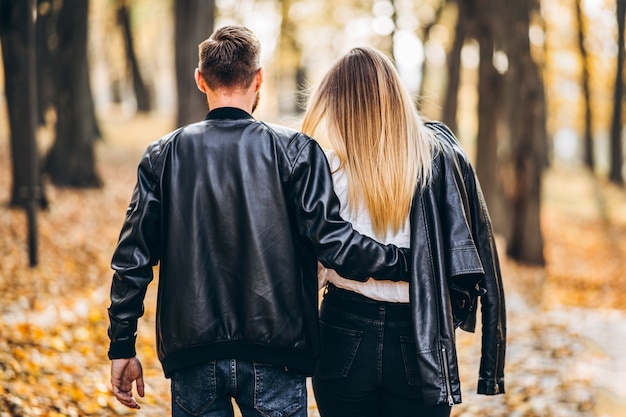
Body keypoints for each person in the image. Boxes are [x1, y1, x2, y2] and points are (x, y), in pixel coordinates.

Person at [107, 27, 411, 417]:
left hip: (192, 356)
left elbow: (131, 261)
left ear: (201, 80)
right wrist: (405, 261)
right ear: (258, 78)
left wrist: (122, 347)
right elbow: (335, 245)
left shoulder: (163, 155)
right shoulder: (298, 153)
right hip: (278, 357)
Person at [301, 47, 506, 417]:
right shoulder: (435, 166)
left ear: (336, 103)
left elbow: (311, 269)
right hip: (419, 331)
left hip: (342, 328)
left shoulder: (327, 172)